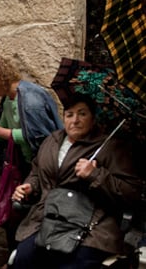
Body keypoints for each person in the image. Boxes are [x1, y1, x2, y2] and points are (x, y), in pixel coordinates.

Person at [10, 92, 142, 268]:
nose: (75, 120)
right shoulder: (52, 140)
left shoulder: (110, 147)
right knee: (24, 258)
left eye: (82, 113)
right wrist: (29, 187)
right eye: (69, 114)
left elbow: (131, 191)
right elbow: (37, 172)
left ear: (93, 119)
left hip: (90, 227)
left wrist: (96, 174)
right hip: (48, 219)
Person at [0, 56, 63, 264]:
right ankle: (14, 260)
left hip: (35, 169)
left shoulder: (30, 98)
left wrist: (0, 131)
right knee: (14, 216)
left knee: (30, 217)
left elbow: (41, 138)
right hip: (18, 166)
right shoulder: (8, 99)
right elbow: (6, 127)